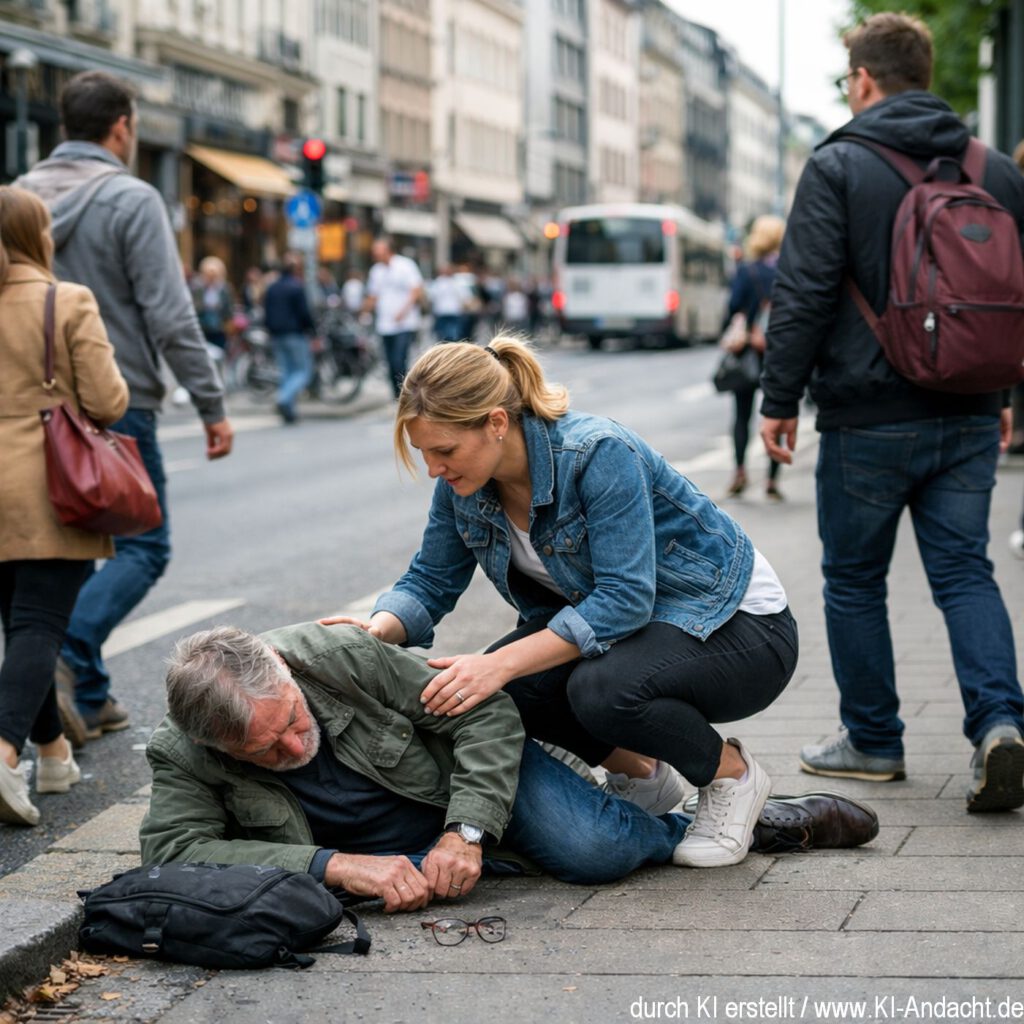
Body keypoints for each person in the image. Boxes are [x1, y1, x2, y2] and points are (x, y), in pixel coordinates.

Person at [321, 338, 800, 869]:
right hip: (640, 635)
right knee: (509, 695)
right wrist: (376, 630)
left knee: (595, 689)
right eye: (425, 454)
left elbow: (623, 600)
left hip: (740, 631)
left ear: (496, 423)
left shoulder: (595, 453)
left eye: (445, 451)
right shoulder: (465, 485)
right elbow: (431, 580)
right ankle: (643, 774)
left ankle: (731, 774)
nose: (435, 468)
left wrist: (496, 664)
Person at [758, 13, 1024, 811]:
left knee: (853, 579)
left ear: (864, 80)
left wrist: (778, 400)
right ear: (926, 72)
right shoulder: (995, 169)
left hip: (867, 414)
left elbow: (802, 290)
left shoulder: (840, 162)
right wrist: (1002, 395)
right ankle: (1001, 722)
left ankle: (873, 740)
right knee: (963, 569)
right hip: (971, 406)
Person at [139, 623, 878, 906]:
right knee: (572, 846)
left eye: (295, 721)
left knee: (597, 851)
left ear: (286, 674)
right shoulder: (182, 750)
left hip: (470, 793)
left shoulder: (332, 658)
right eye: (265, 750)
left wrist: (466, 829)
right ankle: (605, 802)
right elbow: (172, 852)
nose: (294, 747)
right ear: (214, 744)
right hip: (390, 857)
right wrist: (333, 866)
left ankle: (733, 819)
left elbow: (484, 711)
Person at [16, 70, 234, 748]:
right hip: (117, 400)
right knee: (145, 544)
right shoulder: (133, 199)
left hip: (29, 401)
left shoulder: (19, 197)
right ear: (121, 128)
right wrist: (211, 405)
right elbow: (170, 316)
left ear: (62, 127)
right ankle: (69, 649)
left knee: (67, 555)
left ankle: (89, 693)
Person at [0, 187, 129, 826]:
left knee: (22, 625)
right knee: (38, 626)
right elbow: (108, 402)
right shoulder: (65, 300)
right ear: (37, 236)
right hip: (47, 490)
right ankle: (1, 755)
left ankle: (52, 756)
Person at [722, 215, 785, 502]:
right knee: (777, 412)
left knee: (741, 415)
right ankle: (772, 479)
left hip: (748, 351)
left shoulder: (746, 271)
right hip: (778, 352)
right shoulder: (787, 270)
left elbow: (733, 307)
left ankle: (739, 471)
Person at [364, 238, 425, 399]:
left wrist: (403, 311)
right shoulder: (376, 271)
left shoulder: (405, 265)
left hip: (405, 323)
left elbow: (416, 290)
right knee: (390, 360)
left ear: (388, 250)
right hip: (384, 323)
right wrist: (364, 312)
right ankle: (396, 393)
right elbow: (373, 295)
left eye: (378, 249)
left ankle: (403, 391)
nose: (375, 253)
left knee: (399, 358)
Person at [262, 253, 316, 425]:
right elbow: (304, 313)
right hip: (295, 333)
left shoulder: (272, 287)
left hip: (277, 334)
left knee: (286, 372)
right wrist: (312, 331)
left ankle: (289, 412)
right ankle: (284, 399)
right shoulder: (296, 287)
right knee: (303, 371)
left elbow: (266, 311)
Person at [190, 255, 234, 355]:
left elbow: (228, 310)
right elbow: (194, 307)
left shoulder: (224, 289)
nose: (211, 277)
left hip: (218, 329)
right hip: (202, 327)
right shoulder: (198, 289)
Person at [429, 265, 466, 343]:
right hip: (453, 311)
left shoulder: (437, 283)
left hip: (442, 311)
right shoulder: (456, 282)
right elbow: (463, 297)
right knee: (453, 333)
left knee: (441, 334)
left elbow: (431, 297)